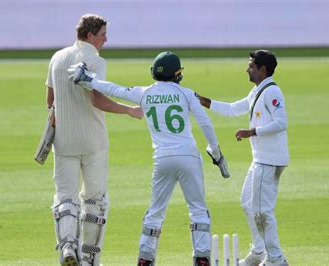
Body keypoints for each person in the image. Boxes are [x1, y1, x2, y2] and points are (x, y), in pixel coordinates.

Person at [68, 51, 229, 266]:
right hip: (188, 155)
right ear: (177, 74)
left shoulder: (145, 93)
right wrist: (216, 152)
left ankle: (145, 257)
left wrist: (90, 80)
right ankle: (201, 257)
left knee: (156, 211)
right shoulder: (186, 94)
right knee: (197, 208)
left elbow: (115, 89)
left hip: (162, 158)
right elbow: (205, 123)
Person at [45, 14, 143, 266]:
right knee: (94, 199)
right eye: (102, 35)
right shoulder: (95, 61)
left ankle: (67, 246)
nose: (106, 40)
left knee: (65, 196)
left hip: (64, 140)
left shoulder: (57, 57)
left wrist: (59, 115)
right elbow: (97, 100)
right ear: (90, 36)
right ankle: (89, 258)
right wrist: (129, 110)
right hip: (93, 141)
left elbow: (49, 101)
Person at [196, 50, 289, 266]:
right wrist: (202, 101)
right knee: (248, 203)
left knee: (261, 211)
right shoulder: (257, 91)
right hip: (260, 159)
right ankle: (258, 252)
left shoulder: (272, 92)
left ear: (263, 69)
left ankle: (275, 258)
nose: (247, 69)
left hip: (269, 160)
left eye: (251, 65)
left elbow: (281, 122)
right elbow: (231, 109)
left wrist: (252, 132)